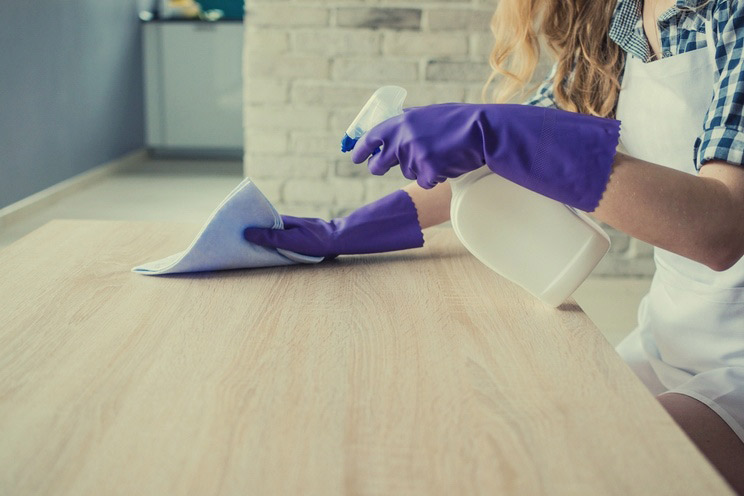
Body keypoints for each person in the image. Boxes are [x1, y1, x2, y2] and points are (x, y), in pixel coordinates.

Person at [244, 0, 744, 490]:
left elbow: (721, 228)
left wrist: (496, 133)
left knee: (581, 465)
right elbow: (493, 156)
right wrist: (350, 230)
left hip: (737, 359)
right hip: (667, 335)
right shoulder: (621, 19)